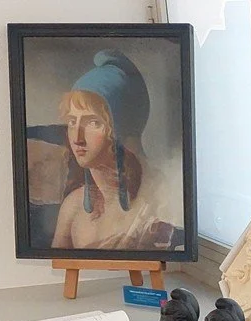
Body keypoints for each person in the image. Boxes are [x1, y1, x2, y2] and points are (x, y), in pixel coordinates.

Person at [52, 50, 176, 251]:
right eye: (73, 122)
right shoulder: (74, 206)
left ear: (121, 129)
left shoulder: (157, 201)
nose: (77, 138)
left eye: (93, 122)